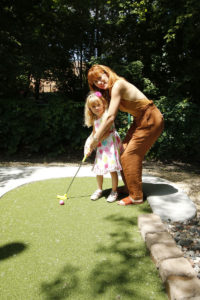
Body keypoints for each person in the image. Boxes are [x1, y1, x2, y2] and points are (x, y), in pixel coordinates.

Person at [87, 64, 164, 205]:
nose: (99, 82)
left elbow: (110, 117)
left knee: (130, 156)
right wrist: (92, 138)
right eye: (95, 82)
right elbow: (104, 116)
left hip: (150, 118)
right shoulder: (110, 91)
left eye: (100, 77)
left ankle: (136, 197)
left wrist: (96, 138)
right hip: (140, 119)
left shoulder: (118, 85)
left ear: (107, 72)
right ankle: (130, 187)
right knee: (122, 151)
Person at [84, 91, 123, 202]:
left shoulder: (107, 116)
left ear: (103, 104)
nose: (96, 108)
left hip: (110, 145)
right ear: (89, 109)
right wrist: (89, 148)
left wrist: (94, 144)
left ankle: (114, 191)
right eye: (93, 106)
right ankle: (99, 189)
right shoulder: (95, 119)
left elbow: (106, 133)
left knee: (112, 169)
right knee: (99, 169)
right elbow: (94, 134)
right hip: (101, 147)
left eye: (98, 105)